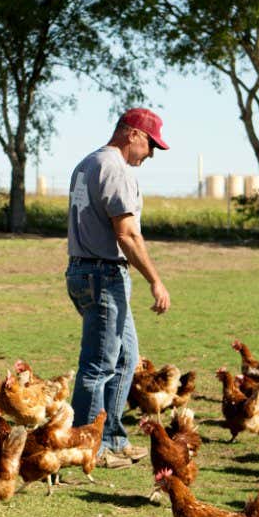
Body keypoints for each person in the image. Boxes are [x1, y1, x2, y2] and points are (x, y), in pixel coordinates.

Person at [66, 107, 172, 469]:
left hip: (83, 270)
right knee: (98, 365)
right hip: (104, 274)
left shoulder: (86, 164)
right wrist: (155, 280)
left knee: (126, 359)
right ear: (132, 134)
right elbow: (126, 233)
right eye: (151, 144)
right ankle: (86, 445)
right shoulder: (114, 169)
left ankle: (110, 437)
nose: (152, 154)